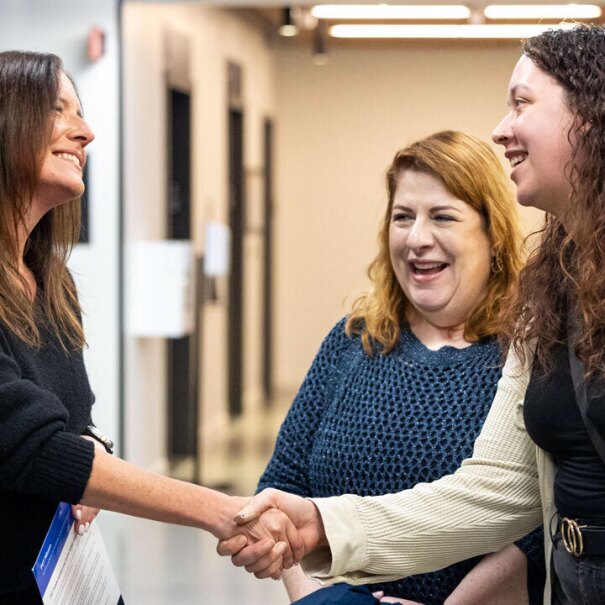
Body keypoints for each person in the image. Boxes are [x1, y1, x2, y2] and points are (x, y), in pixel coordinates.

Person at [219, 23, 605, 605]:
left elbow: (517, 532)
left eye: (522, 104)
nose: (502, 129)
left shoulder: (511, 330)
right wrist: (321, 528)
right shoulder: (553, 288)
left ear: (591, 117)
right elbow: (498, 490)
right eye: (403, 217)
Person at [0, 50, 303, 604]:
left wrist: (89, 444)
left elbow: (73, 417)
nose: (85, 132)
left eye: (82, 112)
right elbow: (27, 443)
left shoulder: (48, 280)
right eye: (59, 110)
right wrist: (219, 511)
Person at [256, 130, 544, 605]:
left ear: (493, 235)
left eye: (443, 217)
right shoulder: (354, 340)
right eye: (402, 217)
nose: (416, 239)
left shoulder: (527, 350)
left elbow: (532, 522)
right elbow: (282, 486)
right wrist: (323, 601)